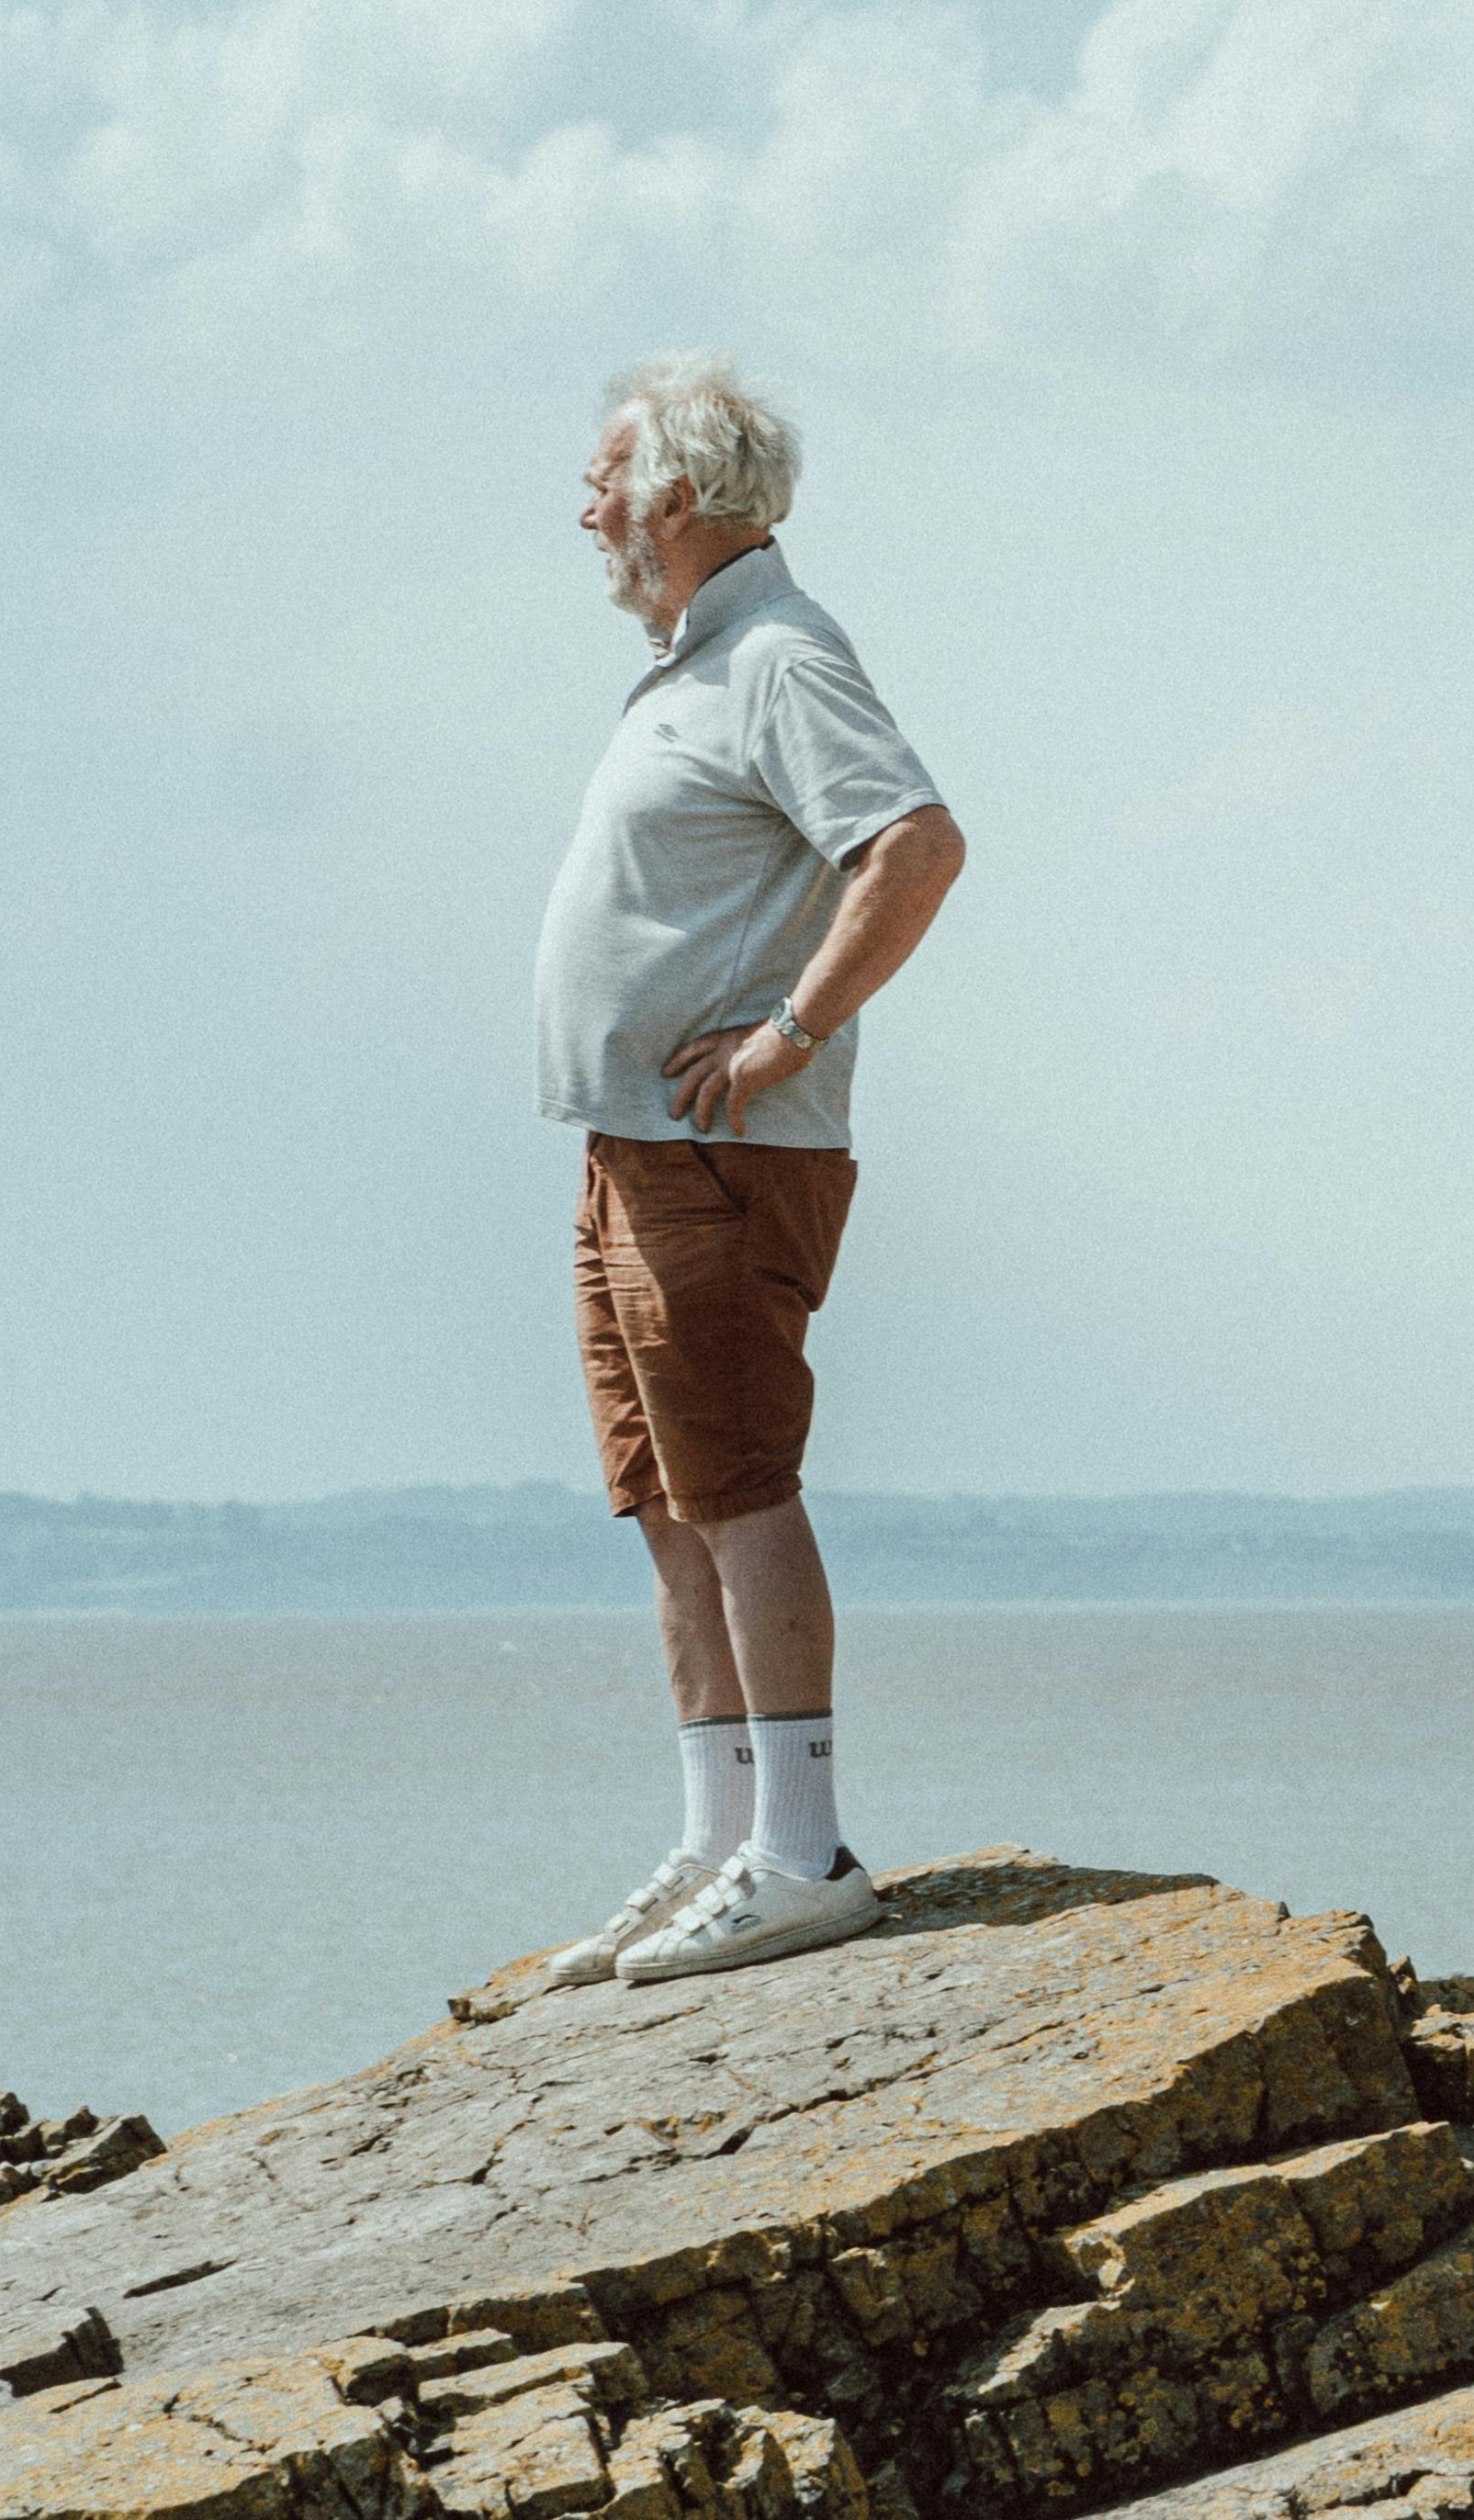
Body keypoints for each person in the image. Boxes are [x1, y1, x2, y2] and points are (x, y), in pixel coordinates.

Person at [525, 351, 970, 1989]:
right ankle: (720, 1836)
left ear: (687, 496)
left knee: (740, 1489)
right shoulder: (695, 664)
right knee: (667, 1505)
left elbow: (913, 846)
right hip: (631, 1154)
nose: (585, 510)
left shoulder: (780, 655)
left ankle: (800, 1855)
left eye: (606, 479)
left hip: (722, 1158)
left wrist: (786, 1032)